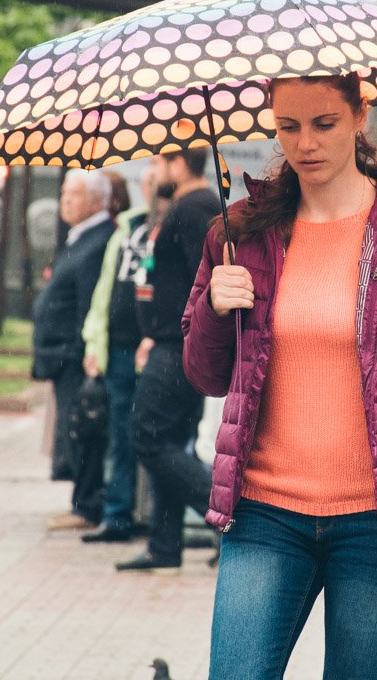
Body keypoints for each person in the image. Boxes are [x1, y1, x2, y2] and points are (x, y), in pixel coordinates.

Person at [183, 73, 377, 679]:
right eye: (288, 127)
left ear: (359, 117)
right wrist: (214, 311)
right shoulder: (241, 233)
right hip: (265, 514)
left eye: (324, 124)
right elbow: (207, 377)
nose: (306, 143)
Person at [115, 149, 221, 572]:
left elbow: (207, 275)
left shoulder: (196, 207)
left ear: (179, 163)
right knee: (171, 441)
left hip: (178, 348)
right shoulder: (186, 206)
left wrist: (179, 331)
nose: (150, 172)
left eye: (156, 162)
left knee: (148, 437)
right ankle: (164, 544)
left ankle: (228, 515)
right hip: (167, 342)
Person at [32, 169, 116, 530]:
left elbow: (89, 303)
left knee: (84, 429)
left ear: (97, 200)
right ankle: (81, 501)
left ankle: (87, 505)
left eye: (74, 194)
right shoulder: (79, 236)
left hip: (75, 354)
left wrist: (84, 352)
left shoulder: (99, 239)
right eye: (64, 193)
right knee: (73, 430)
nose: (65, 200)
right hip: (61, 353)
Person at [79, 170, 153, 543]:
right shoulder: (127, 230)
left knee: (154, 437)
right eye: (148, 175)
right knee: (119, 435)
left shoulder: (171, 226)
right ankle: (118, 514)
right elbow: (104, 289)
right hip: (120, 349)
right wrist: (94, 343)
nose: (151, 181)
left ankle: (156, 518)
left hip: (154, 348)